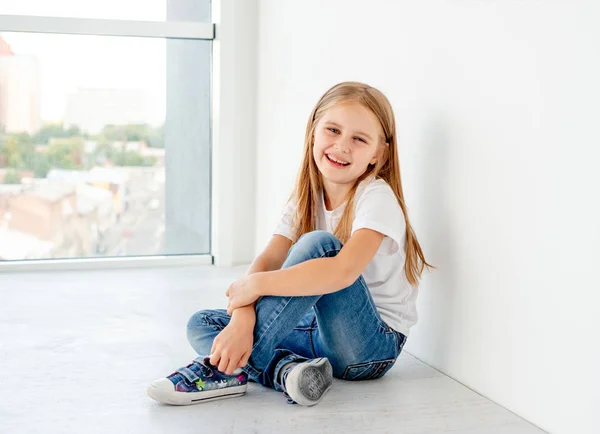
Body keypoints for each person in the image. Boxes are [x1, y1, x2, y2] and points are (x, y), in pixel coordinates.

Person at [147, 81, 433, 407]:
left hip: (369, 346)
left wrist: (255, 286)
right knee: (204, 323)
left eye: (359, 139)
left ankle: (217, 370)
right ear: (313, 132)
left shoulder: (376, 198)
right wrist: (242, 318)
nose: (342, 146)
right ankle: (288, 372)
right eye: (333, 130)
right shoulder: (305, 198)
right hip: (316, 332)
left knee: (320, 245)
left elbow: (341, 272)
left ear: (378, 154)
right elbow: (269, 259)